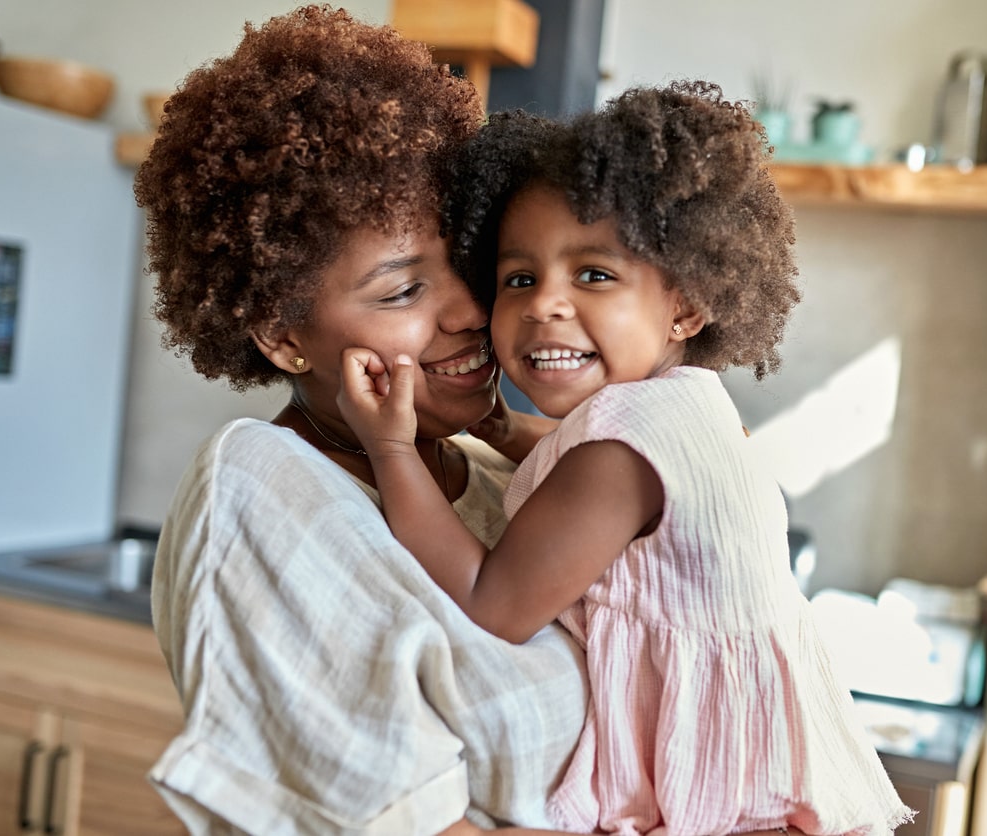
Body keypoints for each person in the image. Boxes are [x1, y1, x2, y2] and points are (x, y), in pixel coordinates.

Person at [135, 6, 808, 835]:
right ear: (281, 336)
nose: (471, 310)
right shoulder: (261, 489)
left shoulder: (517, 474)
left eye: (470, 266)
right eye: (402, 291)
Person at [339, 82, 916, 836]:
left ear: (686, 304)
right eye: (520, 279)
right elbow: (576, 472)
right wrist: (497, 425)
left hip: (724, 808)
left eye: (594, 275)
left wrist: (390, 449)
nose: (545, 303)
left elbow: (492, 604)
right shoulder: (686, 406)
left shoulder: (620, 444)